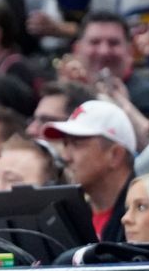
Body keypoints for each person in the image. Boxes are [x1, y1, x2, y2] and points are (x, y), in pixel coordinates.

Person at [42, 99, 137, 241]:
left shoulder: (144, 218)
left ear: (115, 155)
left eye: (77, 144)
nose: (65, 156)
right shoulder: (67, 214)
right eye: (65, 144)